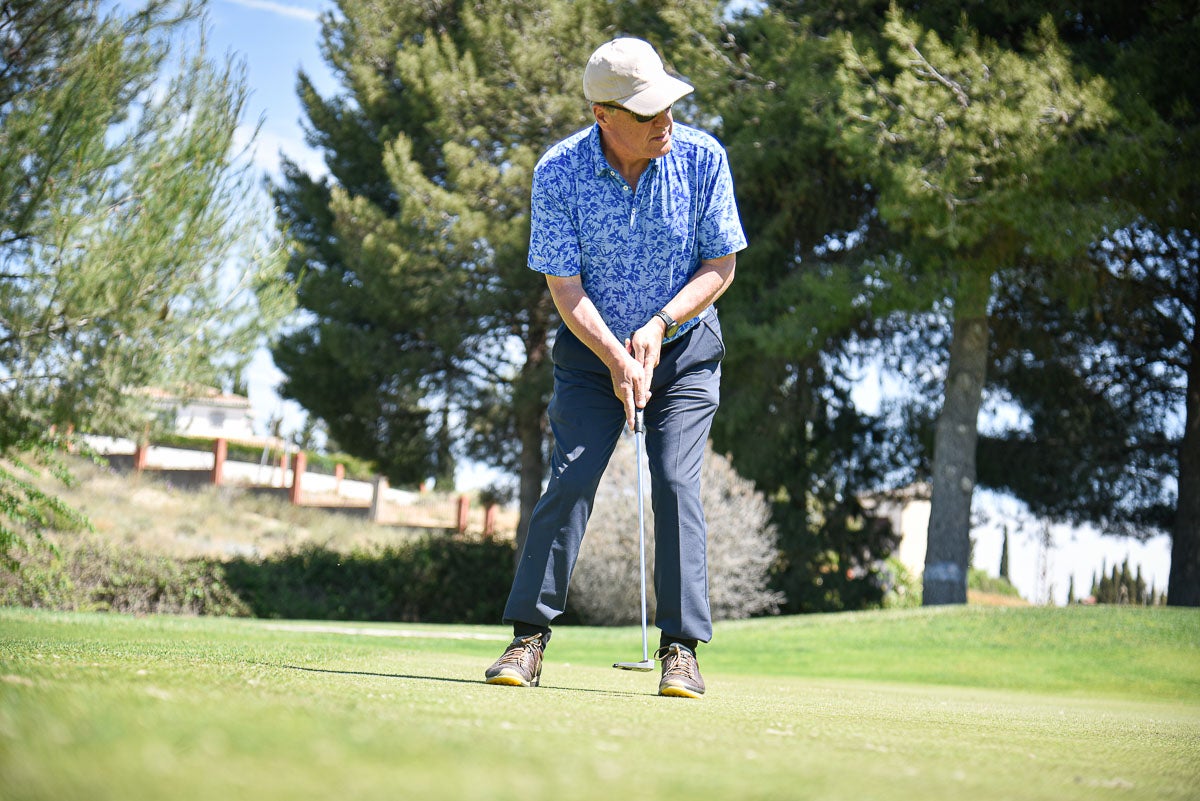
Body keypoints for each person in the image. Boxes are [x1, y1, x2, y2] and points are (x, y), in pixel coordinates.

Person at [484, 37, 746, 698]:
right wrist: (613, 353)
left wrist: (659, 325)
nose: (666, 120)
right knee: (570, 478)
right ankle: (526, 639)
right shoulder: (560, 171)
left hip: (682, 352)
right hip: (589, 349)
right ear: (603, 115)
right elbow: (565, 287)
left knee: (677, 483)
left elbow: (721, 265)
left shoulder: (703, 159)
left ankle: (682, 649)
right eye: (647, 111)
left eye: (667, 105)